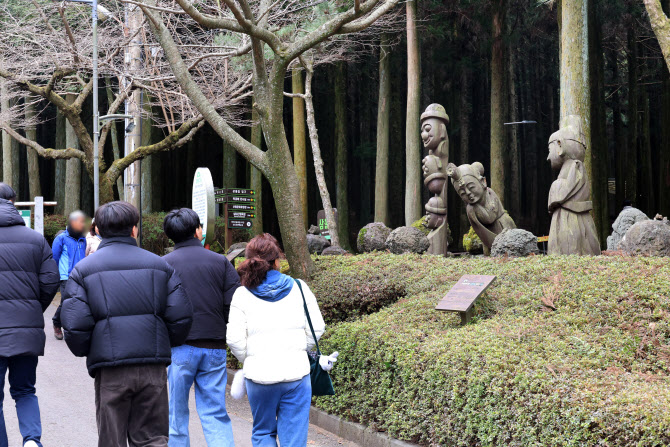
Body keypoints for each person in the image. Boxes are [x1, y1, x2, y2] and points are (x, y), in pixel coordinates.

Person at [61, 201, 193, 447]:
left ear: (97, 229)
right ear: (135, 229)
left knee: (112, 439)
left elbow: (75, 324)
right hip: (152, 366)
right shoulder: (161, 265)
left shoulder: (83, 270)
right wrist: (163, 342)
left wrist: (90, 349)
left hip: (110, 368)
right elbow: (181, 317)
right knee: (153, 438)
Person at [227, 234, 326, 447]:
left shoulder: (242, 294)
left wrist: (250, 357)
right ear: (276, 261)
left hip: (259, 377)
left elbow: (234, 340)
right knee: (294, 438)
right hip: (296, 375)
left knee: (263, 433)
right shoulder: (299, 288)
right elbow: (317, 328)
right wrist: (301, 348)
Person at [162, 208, 241, 447]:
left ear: (170, 236)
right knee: (215, 413)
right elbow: (233, 305)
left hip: (178, 348)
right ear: (198, 230)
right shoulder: (220, 262)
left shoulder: (163, 265)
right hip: (214, 345)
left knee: (176, 416)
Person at [0, 183, 60, 447]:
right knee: (25, 390)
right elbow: (51, 281)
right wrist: (33, 309)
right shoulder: (35, 240)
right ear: (13, 202)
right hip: (26, 331)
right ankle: (32, 441)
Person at [51, 210, 87, 340]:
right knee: (66, 302)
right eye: (79, 222)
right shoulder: (61, 238)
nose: (82, 225)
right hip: (66, 276)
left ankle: (71, 327)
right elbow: (54, 258)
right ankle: (57, 322)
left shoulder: (83, 239)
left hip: (81, 276)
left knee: (78, 301)